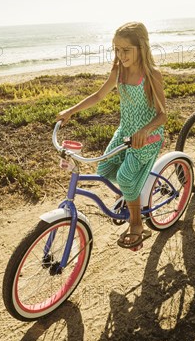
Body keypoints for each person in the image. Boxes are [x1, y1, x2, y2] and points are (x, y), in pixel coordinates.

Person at [57, 22, 167, 249]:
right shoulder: (118, 70)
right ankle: (133, 195)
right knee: (104, 170)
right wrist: (71, 111)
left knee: (126, 178)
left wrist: (144, 131)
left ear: (141, 48)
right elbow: (98, 96)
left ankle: (137, 225)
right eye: (117, 49)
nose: (120, 54)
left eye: (126, 50)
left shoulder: (151, 75)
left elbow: (162, 115)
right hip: (125, 131)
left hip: (147, 136)